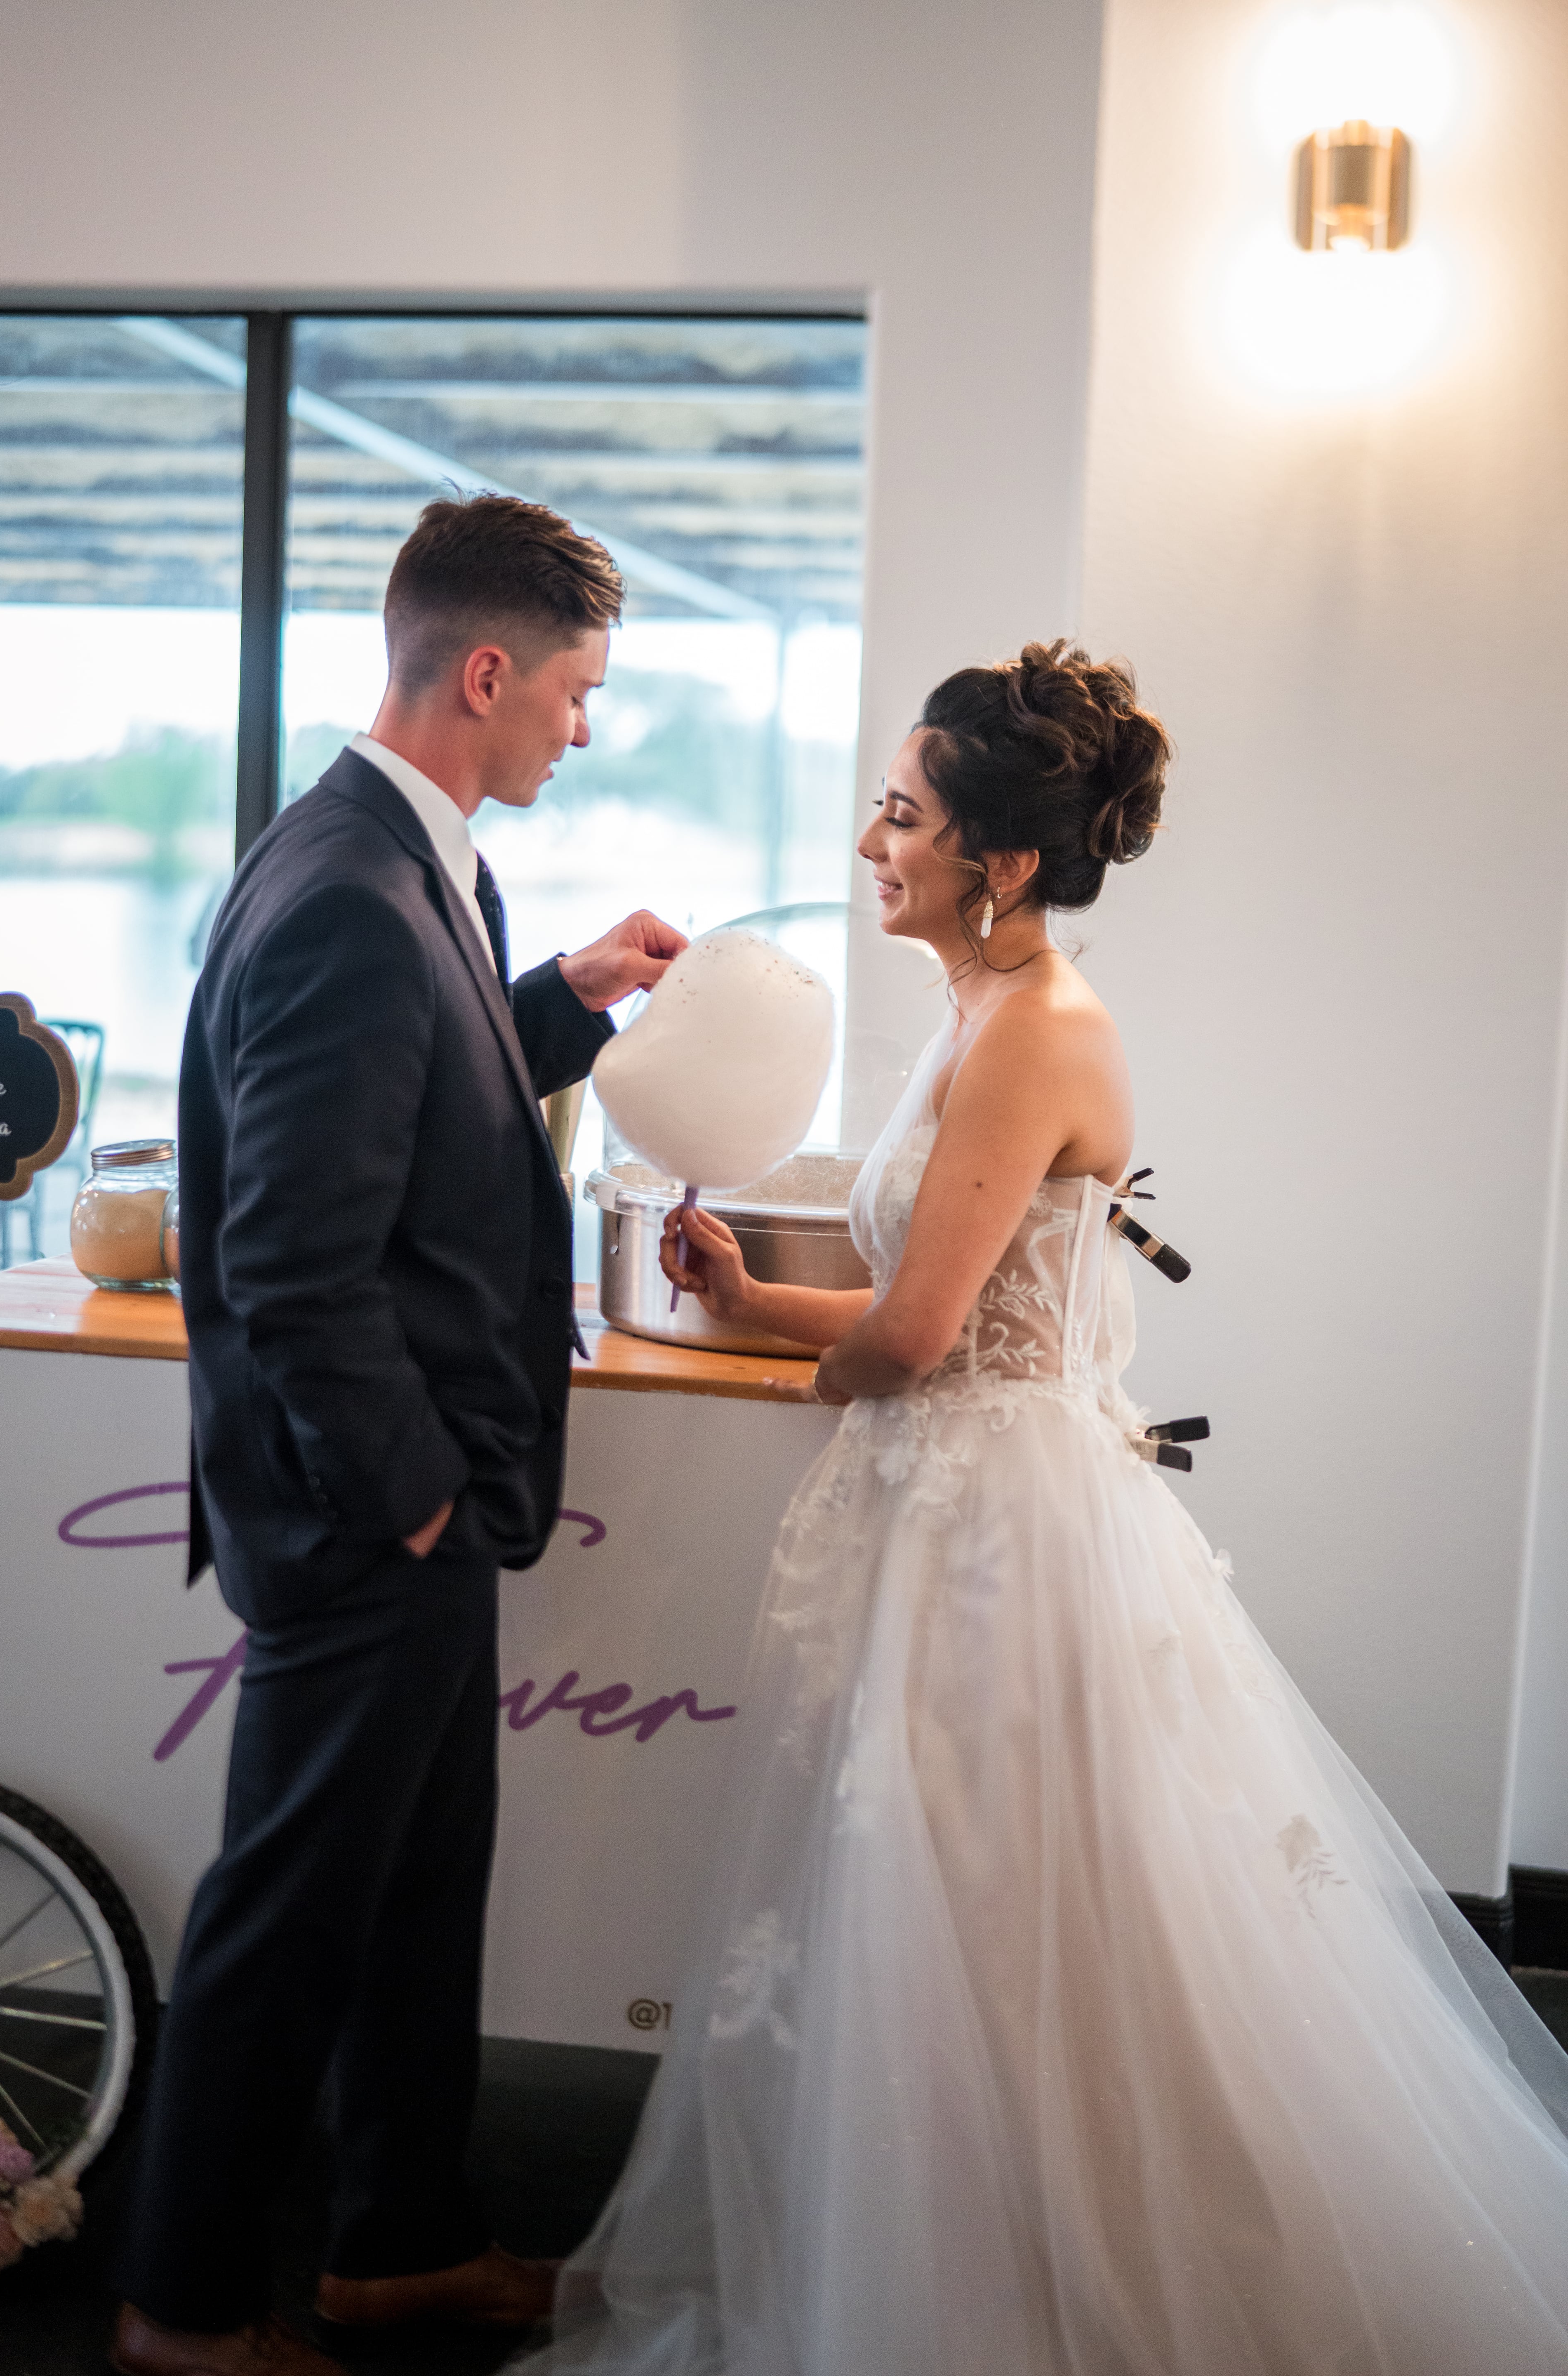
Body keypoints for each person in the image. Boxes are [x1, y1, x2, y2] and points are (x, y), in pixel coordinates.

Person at [537, 641, 1568, 2375]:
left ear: (1000, 861)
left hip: (1000, 1545)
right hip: (965, 1505)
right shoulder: (980, 1011)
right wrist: (742, 1296)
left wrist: (824, 1375)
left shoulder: (1035, 1035)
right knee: (945, 1930)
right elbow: (933, 1296)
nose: (876, 840)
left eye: (903, 815)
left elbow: (921, 1340)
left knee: (1006, 1934)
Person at [111, 495, 687, 2376]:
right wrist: (422, 1504)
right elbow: (284, 1258)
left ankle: (401, 2247)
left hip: (418, 1515)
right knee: (287, 1927)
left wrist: (568, 1007)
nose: (581, 735)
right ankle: (186, 2315)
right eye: (578, 696)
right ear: (490, 671)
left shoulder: (396, 854)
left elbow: (421, 1099)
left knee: (425, 1899)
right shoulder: (355, 892)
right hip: (374, 1521)